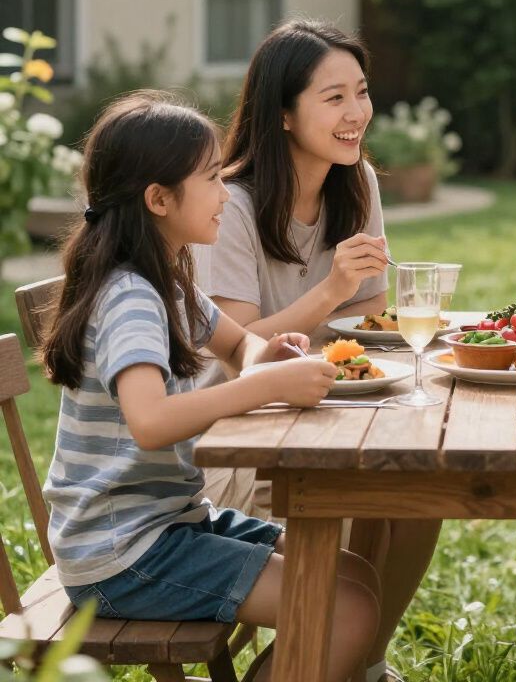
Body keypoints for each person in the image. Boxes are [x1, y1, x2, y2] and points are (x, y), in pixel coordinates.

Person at [40, 92, 379, 682]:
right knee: (346, 610)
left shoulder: (165, 278)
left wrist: (266, 353)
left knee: (357, 581)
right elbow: (149, 421)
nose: (226, 194)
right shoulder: (131, 298)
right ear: (159, 199)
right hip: (124, 553)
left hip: (169, 524)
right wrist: (262, 387)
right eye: (211, 179)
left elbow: (237, 342)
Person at [194, 20, 440, 682]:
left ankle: (362, 661)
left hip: (318, 412)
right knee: (373, 494)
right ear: (283, 113)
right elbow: (236, 354)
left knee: (421, 498)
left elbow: (365, 323)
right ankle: (329, 656)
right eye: (334, 98)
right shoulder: (232, 204)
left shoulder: (355, 182)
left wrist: (367, 313)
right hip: (231, 443)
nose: (356, 112)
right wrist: (331, 288)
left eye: (361, 92)